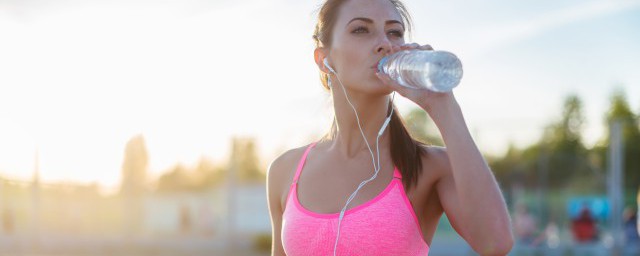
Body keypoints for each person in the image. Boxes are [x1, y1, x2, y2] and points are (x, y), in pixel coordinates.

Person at [266, 0, 513, 255]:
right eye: (361, 29)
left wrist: (444, 106)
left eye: (394, 32)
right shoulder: (285, 170)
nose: (385, 43)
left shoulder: (430, 166)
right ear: (324, 58)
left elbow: (496, 242)